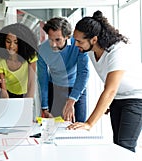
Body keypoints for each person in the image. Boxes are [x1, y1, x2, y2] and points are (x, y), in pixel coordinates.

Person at [68, 10, 142, 152]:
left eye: (79, 41)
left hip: (136, 97)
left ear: (94, 39)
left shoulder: (117, 51)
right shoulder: (89, 50)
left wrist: (89, 123)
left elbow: (110, 89)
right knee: (118, 144)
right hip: (118, 98)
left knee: (125, 145)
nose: (76, 44)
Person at [37, 17, 89, 122]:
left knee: (78, 124)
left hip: (76, 87)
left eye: (57, 40)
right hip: (55, 88)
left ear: (67, 37)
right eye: (50, 39)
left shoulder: (78, 45)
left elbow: (83, 73)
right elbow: (43, 78)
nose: (53, 44)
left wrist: (72, 99)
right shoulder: (42, 49)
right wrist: (44, 106)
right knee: (55, 125)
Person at [0, 23, 38, 98]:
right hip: (10, 92)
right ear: (3, 42)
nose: (11, 46)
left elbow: (31, 82)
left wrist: (29, 101)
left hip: (27, 91)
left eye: (16, 42)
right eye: (8, 42)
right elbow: (3, 89)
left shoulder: (30, 56)